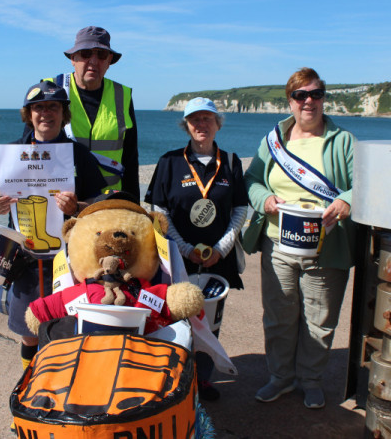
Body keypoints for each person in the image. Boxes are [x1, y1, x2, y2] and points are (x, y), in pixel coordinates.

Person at [243, 67, 356, 409]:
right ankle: (280, 378)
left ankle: (311, 380)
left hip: (325, 247)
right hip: (278, 243)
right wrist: (264, 198)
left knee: (319, 319)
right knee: (279, 316)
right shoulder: (272, 140)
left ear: (323, 98)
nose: (309, 101)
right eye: (300, 95)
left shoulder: (343, 141)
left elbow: (362, 185)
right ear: (289, 101)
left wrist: (346, 199)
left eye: (316, 94)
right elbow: (252, 180)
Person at [0, 80, 107, 371]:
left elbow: (99, 203)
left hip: (69, 260)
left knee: (65, 327)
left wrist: (76, 207)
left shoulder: (78, 154)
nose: (45, 113)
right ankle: (30, 379)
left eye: (53, 107)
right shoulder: (14, 151)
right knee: (28, 332)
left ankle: (59, 382)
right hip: (25, 258)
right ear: (29, 114)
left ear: (63, 113)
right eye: (38, 107)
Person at [145, 97, 248, 401]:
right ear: (186, 125)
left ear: (218, 124)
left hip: (218, 260)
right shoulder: (169, 162)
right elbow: (158, 209)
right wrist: (185, 247)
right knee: (176, 318)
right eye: (195, 120)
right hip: (178, 259)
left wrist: (221, 247)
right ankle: (176, 379)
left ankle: (201, 379)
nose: (201, 125)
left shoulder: (230, 162)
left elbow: (240, 209)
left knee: (210, 321)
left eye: (207, 119)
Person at [40, 26, 139, 198]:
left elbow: (130, 159)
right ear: (73, 58)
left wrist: (133, 206)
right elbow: (28, 148)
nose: (94, 61)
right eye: (86, 54)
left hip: (109, 202)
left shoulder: (122, 96)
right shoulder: (50, 90)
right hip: (61, 202)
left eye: (101, 55)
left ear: (109, 61)